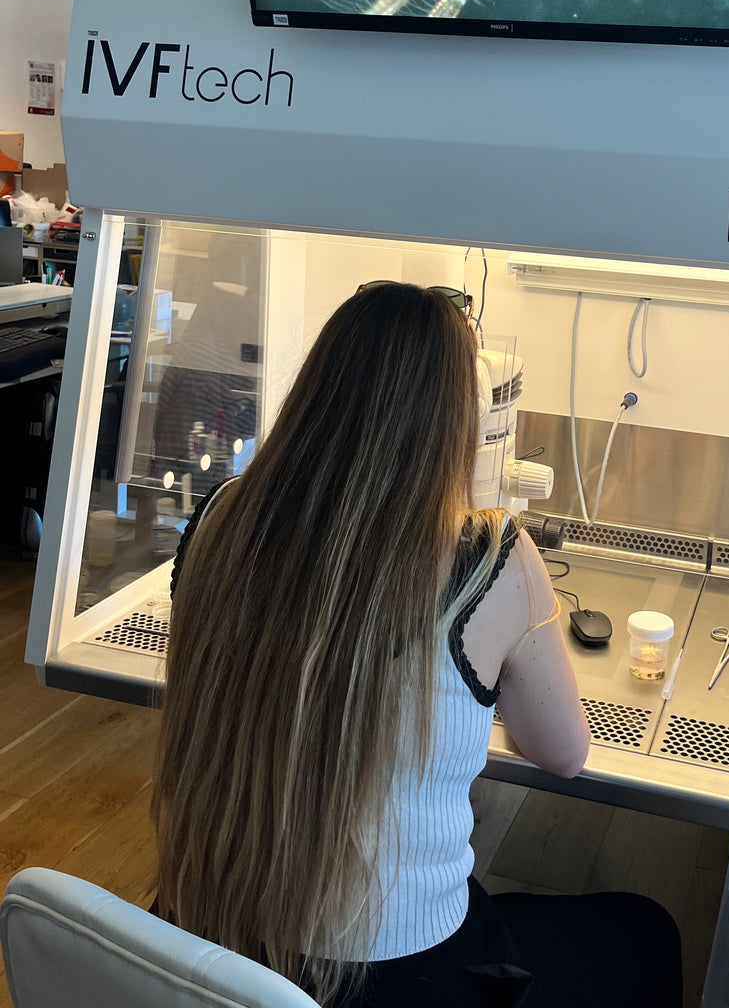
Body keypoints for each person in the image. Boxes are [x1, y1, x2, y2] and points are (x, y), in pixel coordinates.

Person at [152, 281, 682, 1008]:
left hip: (207, 942)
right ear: (456, 420)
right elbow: (564, 753)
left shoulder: (219, 517)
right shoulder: (491, 556)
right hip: (396, 980)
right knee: (646, 932)